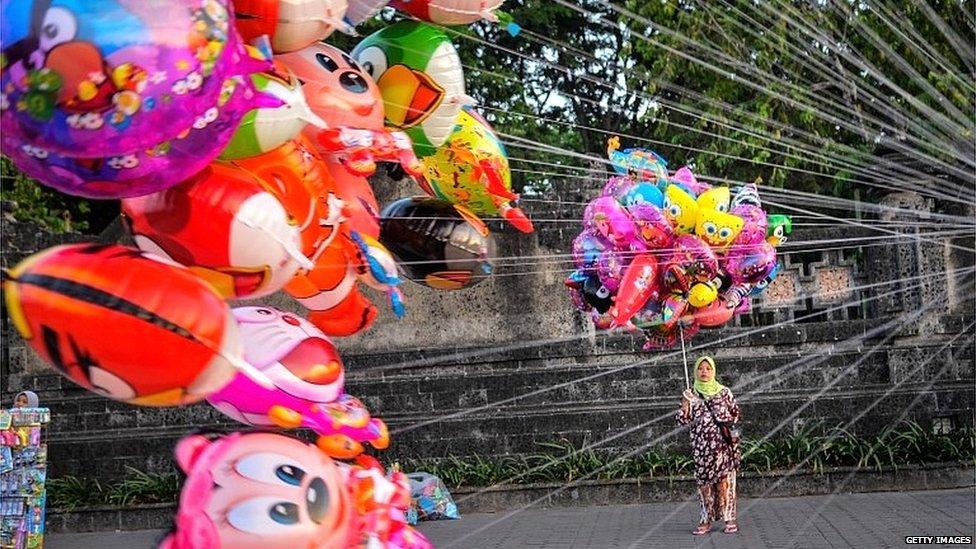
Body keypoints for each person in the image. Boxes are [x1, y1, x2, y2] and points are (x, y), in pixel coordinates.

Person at [676, 356, 741, 535]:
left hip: (723, 448)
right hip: (701, 449)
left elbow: (735, 414)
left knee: (725, 483)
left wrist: (721, 422)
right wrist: (685, 405)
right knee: (704, 486)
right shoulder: (690, 394)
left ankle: (729, 518)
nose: (704, 372)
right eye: (701, 368)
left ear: (713, 371)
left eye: (708, 368)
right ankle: (706, 519)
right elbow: (682, 421)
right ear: (695, 371)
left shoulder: (724, 392)